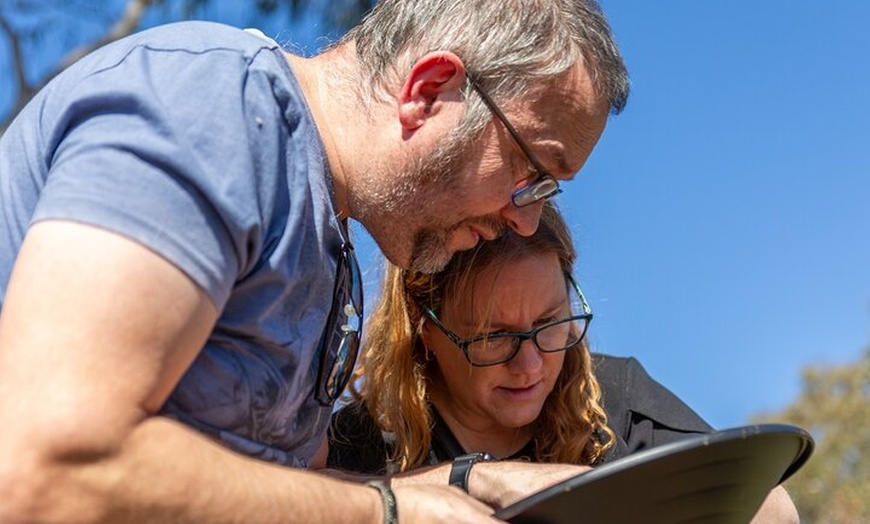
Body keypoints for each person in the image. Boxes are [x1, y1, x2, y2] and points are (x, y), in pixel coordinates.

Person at [0, 1, 631, 523]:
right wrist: (390, 510)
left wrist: (469, 486)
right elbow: (45, 469)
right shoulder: (216, 110)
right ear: (431, 90)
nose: (525, 221)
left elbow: (285, 493)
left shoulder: (330, 252)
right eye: (533, 172)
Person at [328, 202, 800, 522]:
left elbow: (769, 504)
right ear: (424, 325)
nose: (531, 365)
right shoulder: (360, 444)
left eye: (550, 322)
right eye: (495, 337)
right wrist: (475, 479)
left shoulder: (619, 397)